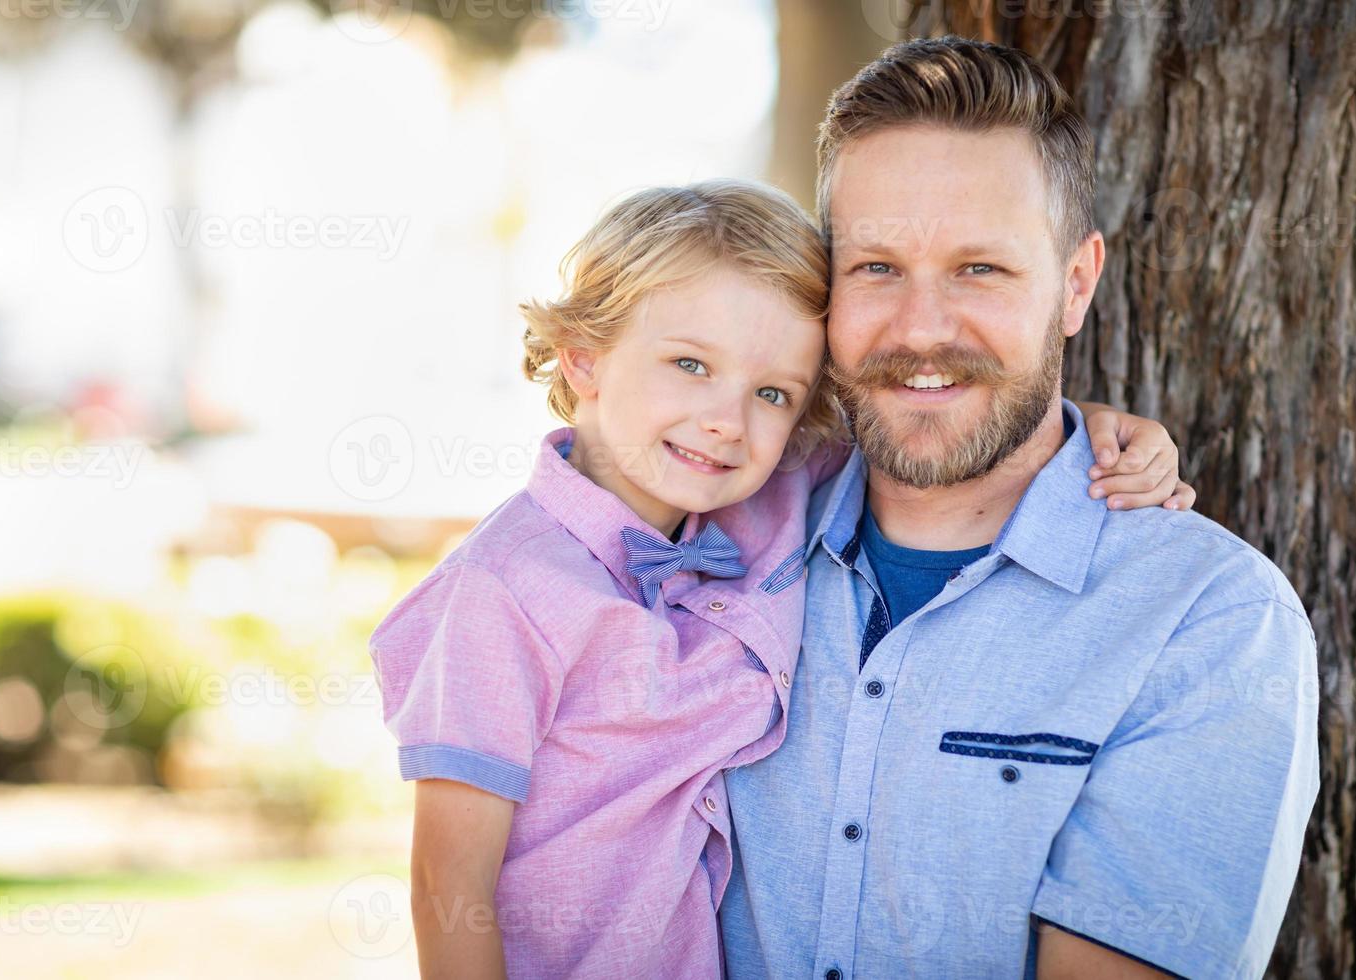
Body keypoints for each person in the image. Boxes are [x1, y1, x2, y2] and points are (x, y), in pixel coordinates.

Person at [368, 179, 1192, 979]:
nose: (728, 420)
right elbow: (449, 881)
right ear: (583, 357)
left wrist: (1106, 435)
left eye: (773, 392)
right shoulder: (502, 592)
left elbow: (951, 440)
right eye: (689, 364)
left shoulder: (770, 497)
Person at [718, 36, 1321, 980]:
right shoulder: (720, 537)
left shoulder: (1209, 622)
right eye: (875, 267)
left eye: (980, 270)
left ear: (1075, 283)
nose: (921, 330)